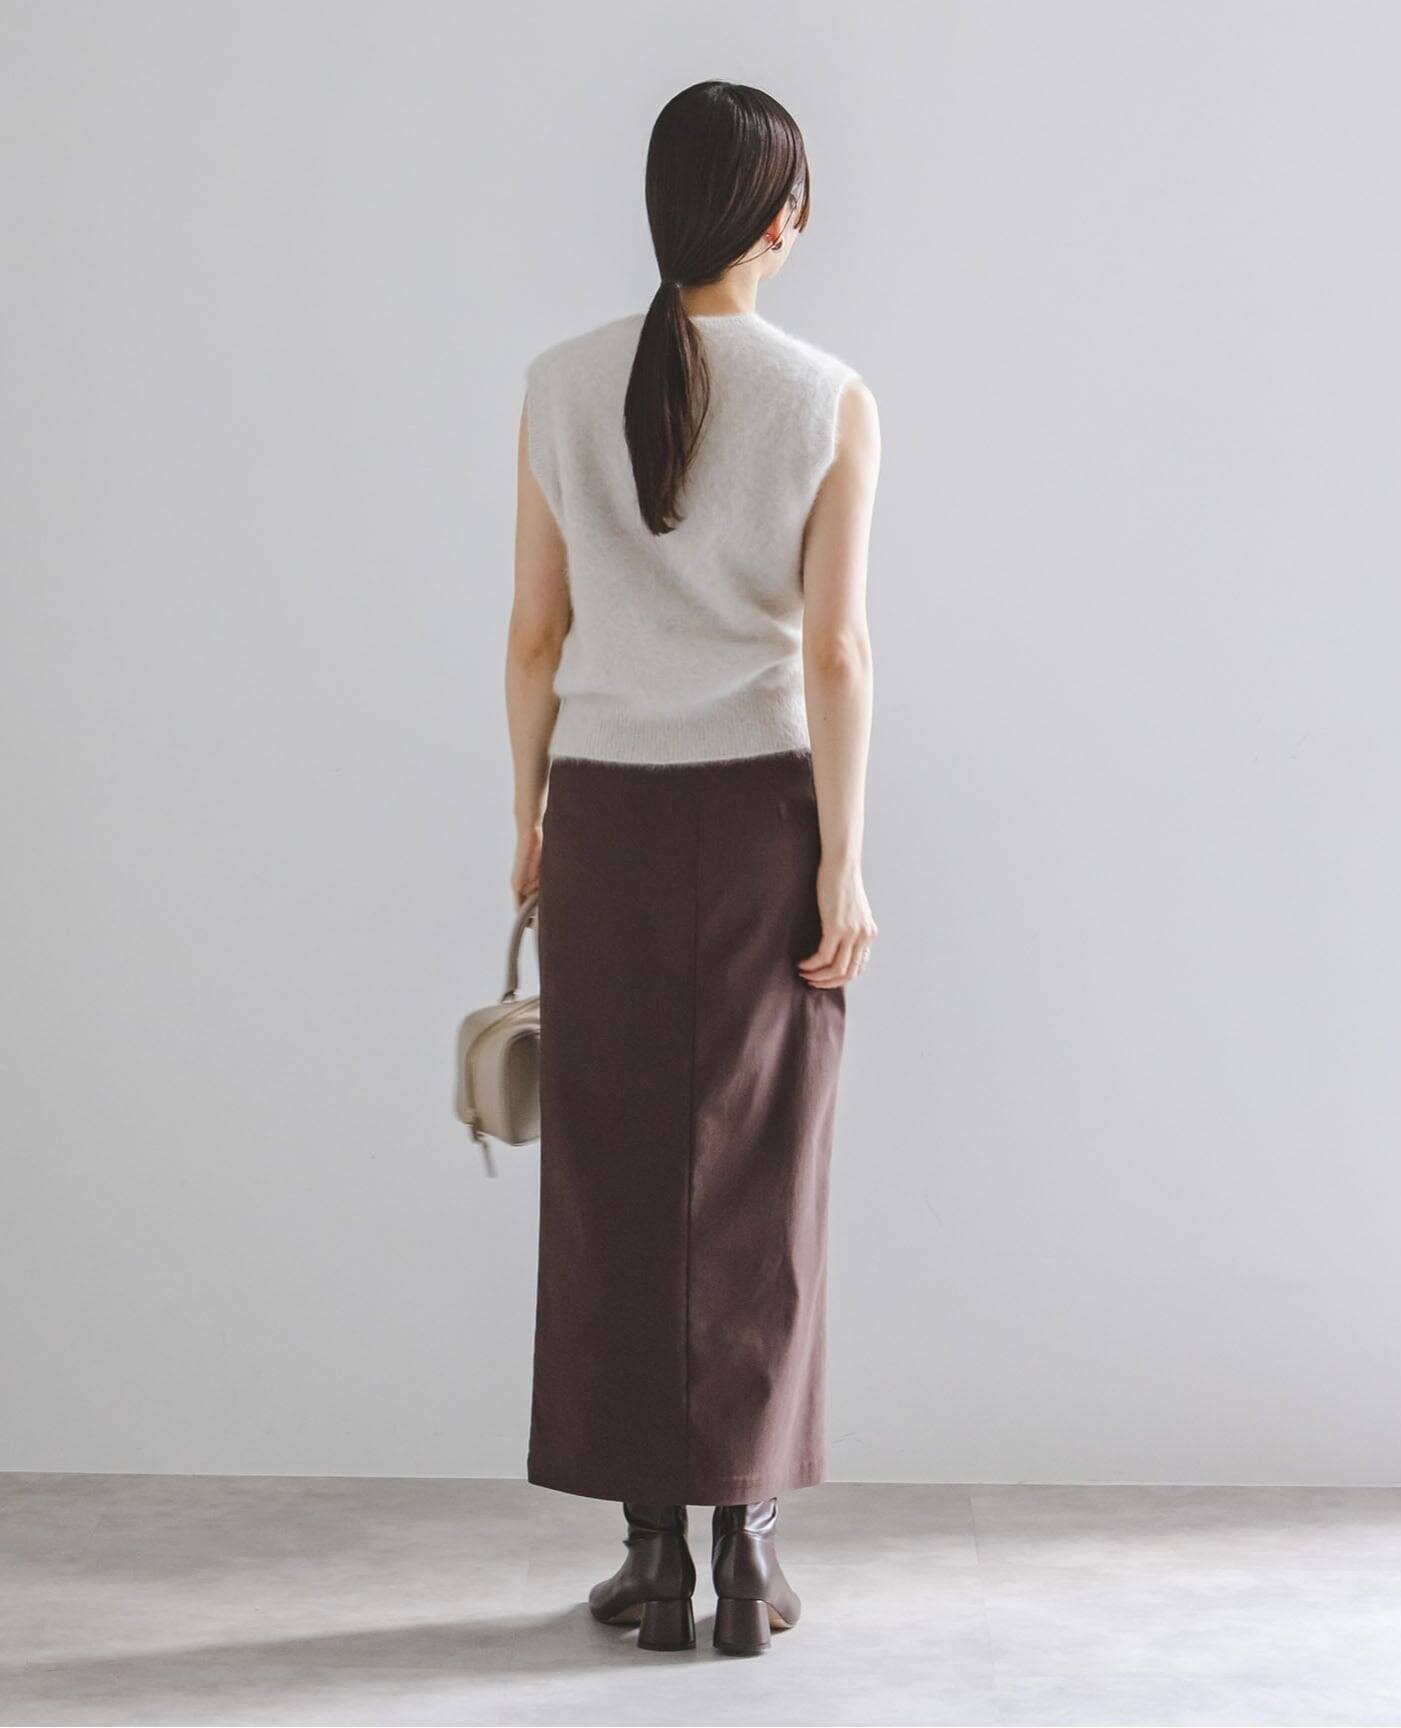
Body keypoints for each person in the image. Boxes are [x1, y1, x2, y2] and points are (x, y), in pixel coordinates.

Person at [504, 78, 881, 1656]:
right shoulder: (828, 397)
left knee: (611, 1178)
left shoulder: (559, 384)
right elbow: (835, 654)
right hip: (761, 821)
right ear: (781, 220)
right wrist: (843, 863)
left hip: (604, 811)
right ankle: (747, 1549)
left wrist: (529, 824)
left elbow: (536, 638)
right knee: (759, 1180)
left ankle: (651, 1549)